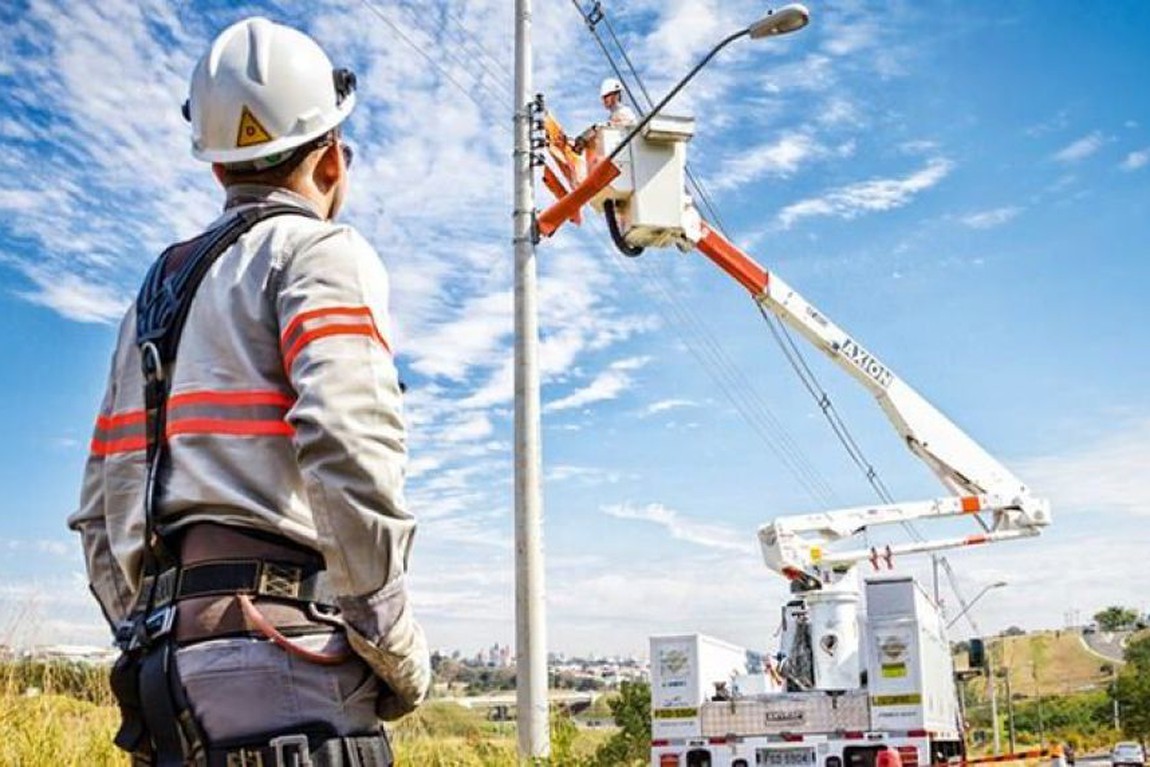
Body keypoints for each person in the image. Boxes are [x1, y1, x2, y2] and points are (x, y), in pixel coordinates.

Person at [67, 16, 429, 765]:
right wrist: (392, 639)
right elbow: (348, 444)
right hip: (290, 663)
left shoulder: (154, 294)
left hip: (163, 679)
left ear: (218, 169)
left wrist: (145, 623)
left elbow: (98, 509)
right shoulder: (321, 250)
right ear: (331, 159)